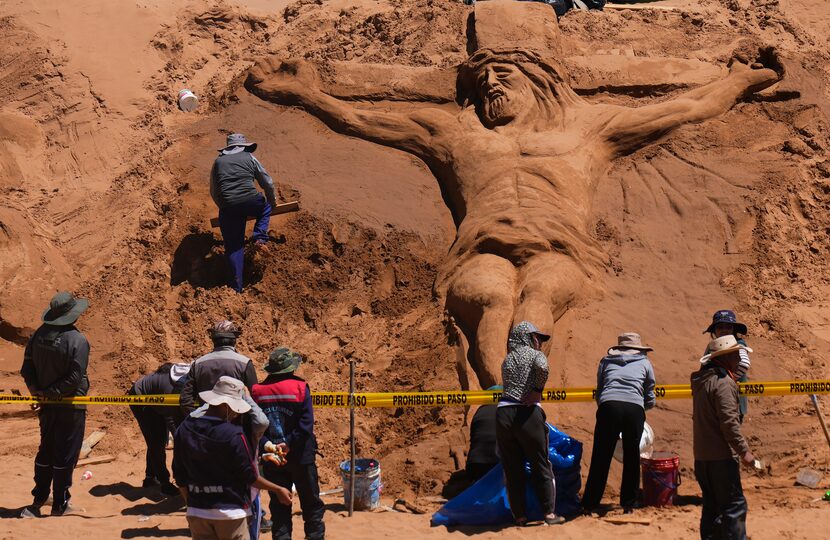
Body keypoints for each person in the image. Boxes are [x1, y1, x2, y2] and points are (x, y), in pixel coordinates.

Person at [248, 39, 780, 390]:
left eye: (504, 78)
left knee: (541, 292)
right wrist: (305, 95)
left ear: (538, 83)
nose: (493, 88)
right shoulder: (453, 132)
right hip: (482, 243)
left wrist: (739, 82)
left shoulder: (589, 129)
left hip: (558, 245)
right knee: (490, 296)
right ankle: (503, 396)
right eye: (484, 84)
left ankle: (520, 396)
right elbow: (364, 119)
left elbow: (679, 110)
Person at [173, 376, 292, 540]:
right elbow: (249, 476)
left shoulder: (184, 429)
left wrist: (191, 503)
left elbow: (179, 474)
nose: (236, 413)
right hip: (230, 513)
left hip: (197, 512)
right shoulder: (234, 435)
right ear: (225, 405)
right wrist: (278, 489)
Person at [20, 291, 91, 518]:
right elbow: (74, 377)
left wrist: (38, 393)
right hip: (70, 406)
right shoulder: (77, 340)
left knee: (46, 450)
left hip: (47, 406)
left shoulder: (38, 335)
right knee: (65, 454)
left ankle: (39, 497)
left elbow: (27, 369)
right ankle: (60, 503)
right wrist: (51, 394)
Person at [252, 347, 325, 540]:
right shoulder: (300, 388)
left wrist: (269, 444)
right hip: (301, 456)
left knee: (279, 508)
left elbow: (254, 426)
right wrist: (289, 443)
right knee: (311, 506)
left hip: (273, 457)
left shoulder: (257, 391)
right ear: (291, 368)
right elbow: (306, 424)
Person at [496, 321, 564, 526]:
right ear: (527, 337)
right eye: (537, 338)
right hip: (526, 412)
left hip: (503, 413)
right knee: (540, 463)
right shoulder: (536, 355)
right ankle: (549, 514)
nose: (539, 343)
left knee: (512, 467)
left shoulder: (507, 360)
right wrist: (537, 389)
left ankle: (520, 516)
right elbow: (542, 367)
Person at [581, 332, 656, 514]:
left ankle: (590, 504)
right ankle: (628, 504)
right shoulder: (645, 363)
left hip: (609, 406)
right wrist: (641, 407)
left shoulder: (606, 361)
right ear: (638, 349)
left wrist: (606, 406)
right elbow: (650, 393)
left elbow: (600, 390)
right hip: (634, 410)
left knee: (601, 456)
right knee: (632, 456)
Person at [692, 335, 755, 540]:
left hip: (703, 457)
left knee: (711, 507)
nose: (739, 358)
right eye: (737, 354)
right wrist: (744, 451)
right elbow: (729, 423)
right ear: (727, 357)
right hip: (721, 457)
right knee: (734, 506)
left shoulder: (702, 381)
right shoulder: (723, 383)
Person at [211, 132, 278, 293]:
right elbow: (267, 182)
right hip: (250, 201)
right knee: (266, 207)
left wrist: (225, 207)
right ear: (243, 147)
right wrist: (272, 201)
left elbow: (213, 190)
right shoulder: (249, 158)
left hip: (228, 207)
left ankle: (236, 289)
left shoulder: (218, 162)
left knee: (234, 247)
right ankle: (260, 238)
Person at [128, 362, 191, 496]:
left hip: (157, 399)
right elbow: (171, 420)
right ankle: (164, 483)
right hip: (140, 398)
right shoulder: (170, 390)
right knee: (156, 441)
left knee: (159, 439)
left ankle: (150, 477)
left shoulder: (189, 383)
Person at [180, 320, 258, 415]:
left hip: (207, 423)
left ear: (213, 340)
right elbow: (255, 397)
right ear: (234, 341)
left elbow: (185, 399)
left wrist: (196, 419)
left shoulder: (198, 364)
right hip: (235, 424)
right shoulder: (244, 363)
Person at [703, 310, 751, 421]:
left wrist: (727, 381)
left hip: (732, 404)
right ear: (714, 330)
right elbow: (704, 368)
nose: (724, 330)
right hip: (713, 402)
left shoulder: (738, 343)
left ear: (733, 329)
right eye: (720, 327)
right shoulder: (713, 346)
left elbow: (744, 364)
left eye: (728, 327)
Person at [466, 385, 501, 482]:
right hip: (497, 465)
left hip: (474, 466)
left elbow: (474, 440)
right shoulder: (507, 410)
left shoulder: (479, 412)